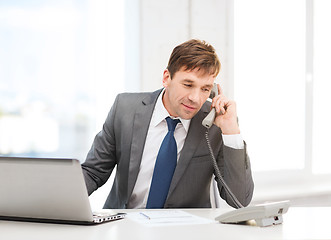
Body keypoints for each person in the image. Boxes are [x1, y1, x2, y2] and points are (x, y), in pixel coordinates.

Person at [81, 39, 254, 209]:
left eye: (205, 89)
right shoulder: (125, 109)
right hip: (126, 224)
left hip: (184, 229)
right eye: (188, 84)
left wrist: (231, 131)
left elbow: (239, 199)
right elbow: (93, 172)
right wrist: (59, 204)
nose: (195, 98)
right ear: (166, 78)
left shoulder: (215, 124)